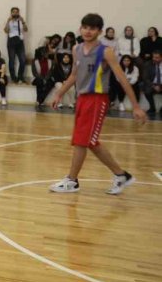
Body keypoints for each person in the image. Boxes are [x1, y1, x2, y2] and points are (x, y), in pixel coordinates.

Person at [49, 13, 147, 195]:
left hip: (97, 100)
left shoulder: (106, 51)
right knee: (90, 142)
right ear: (80, 28)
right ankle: (121, 175)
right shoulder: (76, 49)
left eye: (92, 28)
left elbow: (122, 78)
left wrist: (136, 106)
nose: (87, 31)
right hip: (82, 99)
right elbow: (73, 75)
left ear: (100, 31)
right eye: (85, 27)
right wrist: (59, 94)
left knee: (82, 142)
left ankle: (72, 180)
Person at [3, 7, 28, 83]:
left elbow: (26, 30)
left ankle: (20, 76)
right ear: (11, 13)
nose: (15, 13)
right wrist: (8, 21)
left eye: (16, 12)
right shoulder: (9, 21)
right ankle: (13, 77)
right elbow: (6, 31)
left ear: (18, 13)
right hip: (11, 41)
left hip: (20, 41)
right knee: (12, 60)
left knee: (23, 60)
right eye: (13, 12)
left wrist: (23, 21)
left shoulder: (20, 21)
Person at [143, 49, 161, 116]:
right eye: (153, 57)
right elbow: (145, 78)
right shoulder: (148, 64)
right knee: (146, 89)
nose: (154, 59)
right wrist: (154, 86)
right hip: (153, 83)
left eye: (157, 57)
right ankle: (152, 107)